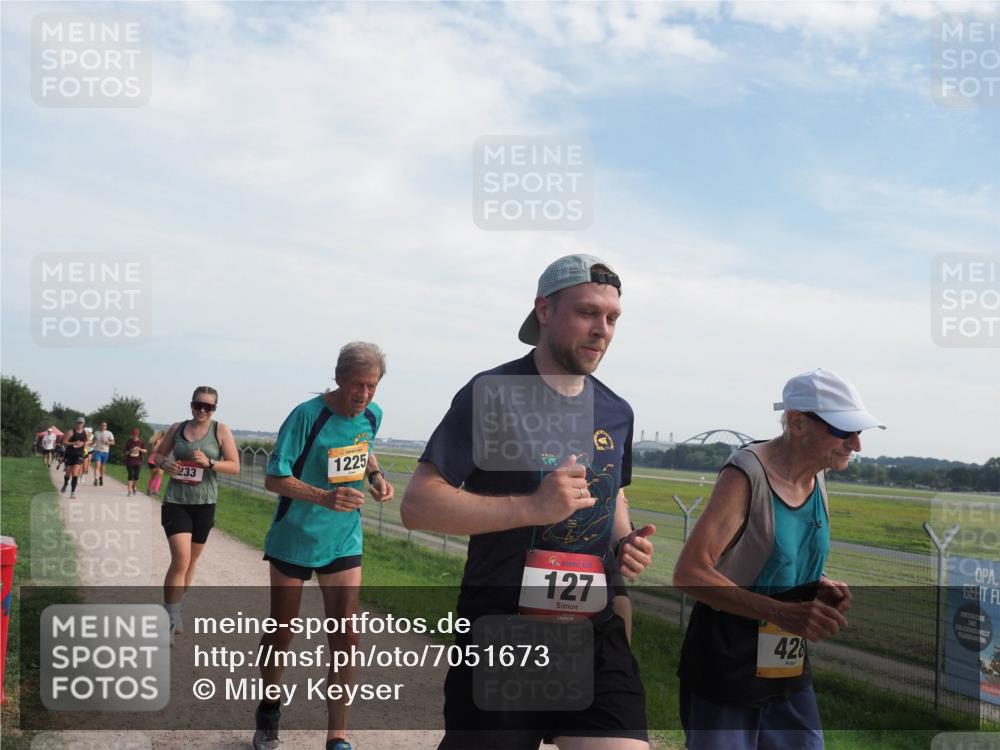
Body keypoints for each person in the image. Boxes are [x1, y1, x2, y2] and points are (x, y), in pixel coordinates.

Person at [401, 254, 656, 750]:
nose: (601, 329)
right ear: (544, 310)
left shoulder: (616, 410)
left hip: (592, 630)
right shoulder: (491, 394)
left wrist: (624, 541)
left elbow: (611, 492)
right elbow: (418, 505)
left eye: (612, 318)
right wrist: (531, 508)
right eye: (587, 313)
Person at [673, 369, 883, 750]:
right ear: (797, 422)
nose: (856, 444)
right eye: (843, 430)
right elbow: (689, 572)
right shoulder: (747, 474)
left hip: (784, 659)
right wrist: (781, 611)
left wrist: (813, 585)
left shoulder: (817, 476)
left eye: (859, 432)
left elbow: (765, 555)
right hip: (727, 659)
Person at [253, 342, 394, 750]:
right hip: (294, 537)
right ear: (338, 378)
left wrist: (376, 477)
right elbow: (274, 478)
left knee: (347, 635)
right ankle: (269, 709)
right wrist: (322, 497)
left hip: (343, 538)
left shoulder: (372, 415)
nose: (364, 395)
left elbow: (363, 450)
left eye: (372, 386)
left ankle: (338, 736)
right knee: (282, 631)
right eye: (357, 385)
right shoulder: (306, 416)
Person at [152, 387, 240, 638]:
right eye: (198, 405)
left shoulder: (220, 431)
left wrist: (210, 463)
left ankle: (175, 606)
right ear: (191, 405)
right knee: (180, 558)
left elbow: (234, 466)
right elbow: (158, 454)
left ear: (215, 408)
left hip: (204, 503)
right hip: (176, 501)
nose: (202, 410)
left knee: (191, 561)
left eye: (208, 406)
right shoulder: (177, 428)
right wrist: (164, 462)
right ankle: (170, 615)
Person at [61, 417, 88, 499]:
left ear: (83, 424)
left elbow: (86, 441)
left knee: (75, 473)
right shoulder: (71, 432)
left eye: (81, 423)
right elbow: (64, 442)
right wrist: (74, 442)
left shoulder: (85, 432)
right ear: (76, 423)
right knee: (68, 473)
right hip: (70, 454)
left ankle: (72, 492)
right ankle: (65, 484)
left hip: (79, 455)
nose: (80, 424)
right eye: (78, 422)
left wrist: (83, 445)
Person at [124, 428, 147, 496]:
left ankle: (134, 486)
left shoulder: (141, 441)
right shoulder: (129, 441)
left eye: (136, 434)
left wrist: (140, 449)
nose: (135, 435)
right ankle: (129, 491)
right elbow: (125, 453)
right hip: (130, 461)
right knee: (130, 475)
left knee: (136, 476)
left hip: (138, 461)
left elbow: (145, 451)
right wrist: (130, 450)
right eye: (134, 434)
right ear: (132, 434)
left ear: (138, 434)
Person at [91, 421, 115, 486]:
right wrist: (91, 443)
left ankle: (101, 478)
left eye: (104, 425)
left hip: (105, 451)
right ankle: (96, 480)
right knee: (97, 466)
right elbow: (93, 440)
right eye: (102, 425)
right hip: (97, 451)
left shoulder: (109, 433)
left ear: (106, 427)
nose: (103, 426)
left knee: (102, 467)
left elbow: (113, 443)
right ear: (100, 426)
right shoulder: (96, 433)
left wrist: (107, 442)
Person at [147, 429, 166, 496]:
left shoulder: (164, 443)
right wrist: (157, 444)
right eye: (162, 436)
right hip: (153, 461)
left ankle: (156, 490)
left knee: (160, 474)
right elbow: (153, 451)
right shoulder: (156, 442)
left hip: (160, 461)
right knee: (153, 476)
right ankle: (149, 489)